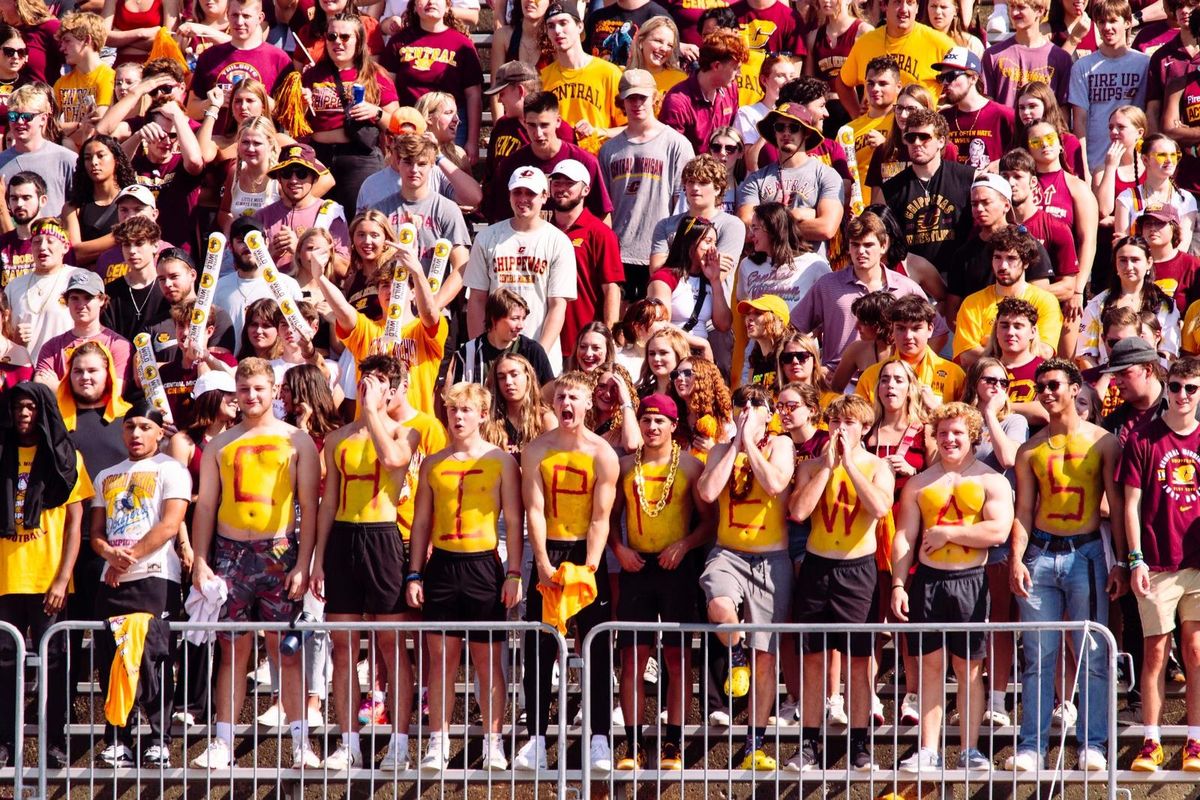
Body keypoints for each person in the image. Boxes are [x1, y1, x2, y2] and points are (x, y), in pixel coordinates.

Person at [189, 358, 321, 770]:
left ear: (273, 388)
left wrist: (304, 561)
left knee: (287, 651)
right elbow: (206, 505)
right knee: (232, 649)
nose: (252, 397)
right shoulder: (219, 444)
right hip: (230, 553)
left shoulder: (297, 441)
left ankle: (301, 743)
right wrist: (199, 561)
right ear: (235, 392)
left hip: (279, 551)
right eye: (244, 390)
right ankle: (224, 741)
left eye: (259, 389)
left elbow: (309, 508)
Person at [1007, 358, 1123, 772]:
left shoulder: (1103, 442)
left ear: (1075, 388)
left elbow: (1119, 504)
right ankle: (1031, 746)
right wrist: (1017, 558)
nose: (1047, 393)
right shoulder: (1030, 449)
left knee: (1092, 652)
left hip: (1088, 551)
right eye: (1041, 386)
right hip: (1040, 551)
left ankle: (1092, 742)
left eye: (1054, 384)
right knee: (1039, 654)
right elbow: (1022, 509)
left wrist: (1123, 562)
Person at [406, 381, 523, 772]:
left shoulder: (502, 461)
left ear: (483, 415)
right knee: (441, 660)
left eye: (466, 411)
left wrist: (514, 573)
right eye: (453, 411)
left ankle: (493, 743)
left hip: (483, 564)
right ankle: (438, 742)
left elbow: (515, 518)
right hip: (442, 564)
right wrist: (414, 573)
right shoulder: (432, 462)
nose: (458, 417)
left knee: (489, 661)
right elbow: (421, 521)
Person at [890, 402, 1014, 772]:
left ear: (972, 436)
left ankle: (970, 749)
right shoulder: (920, 482)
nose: (949, 439)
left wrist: (948, 533)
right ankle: (928, 749)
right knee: (930, 666)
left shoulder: (991, 480)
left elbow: (997, 532)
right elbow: (904, 536)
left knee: (969, 668)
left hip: (969, 581)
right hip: (928, 581)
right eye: (943, 433)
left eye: (957, 432)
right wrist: (899, 583)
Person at [309, 354, 416, 771]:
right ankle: (348, 742)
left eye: (380, 382)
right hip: (342, 539)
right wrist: (318, 559)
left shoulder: (405, 433)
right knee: (343, 647)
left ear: (392, 390)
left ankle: (400, 743)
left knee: (391, 645)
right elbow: (327, 502)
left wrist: (372, 411)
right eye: (366, 380)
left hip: (384, 536)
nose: (370, 387)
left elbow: (392, 461)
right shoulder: (337, 440)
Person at [515, 371, 619, 772]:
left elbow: (601, 516)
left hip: (586, 552)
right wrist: (541, 562)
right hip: (550, 548)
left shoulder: (602, 453)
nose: (567, 404)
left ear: (589, 403)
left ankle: (599, 738)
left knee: (594, 644)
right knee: (540, 648)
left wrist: (591, 566)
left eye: (575, 397)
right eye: (561, 397)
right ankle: (537, 738)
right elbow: (535, 511)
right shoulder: (536, 450)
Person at [789, 393, 893, 771]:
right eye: (834, 423)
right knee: (814, 660)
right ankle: (808, 744)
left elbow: (880, 509)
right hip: (818, 567)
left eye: (848, 423)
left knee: (859, 663)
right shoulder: (812, 467)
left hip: (857, 569)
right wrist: (828, 468)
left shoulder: (878, 467)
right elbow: (799, 511)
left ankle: (861, 745)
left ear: (863, 428)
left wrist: (850, 464)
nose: (840, 430)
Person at [695, 383, 794, 770]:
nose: (749, 410)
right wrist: (735, 445)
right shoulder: (720, 450)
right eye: (742, 404)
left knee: (766, 658)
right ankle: (736, 653)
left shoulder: (781, 445)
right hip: (728, 553)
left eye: (757, 405)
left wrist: (753, 444)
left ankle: (755, 743)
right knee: (719, 605)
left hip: (771, 560)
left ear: (769, 414)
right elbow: (707, 491)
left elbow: (774, 483)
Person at [609, 393, 709, 770]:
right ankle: (632, 744)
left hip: (676, 568)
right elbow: (608, 518)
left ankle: (674, 742)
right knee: (633, 658)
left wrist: (684, 545)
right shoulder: (624, 467)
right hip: (636, 567)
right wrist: (619, 550)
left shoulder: (691, 468)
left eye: (659, 422)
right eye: (646, 420)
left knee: (677, 657)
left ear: (672, 426)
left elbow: (708, 523)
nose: (652, 428)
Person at [89, 403, 190, 768]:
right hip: (111, 579)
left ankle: (157, 738)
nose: (136, 434)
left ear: (159, 432)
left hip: (156, 576)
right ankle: (117, 737)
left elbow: (169, 524)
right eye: (130, 426)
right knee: (113, 659)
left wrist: (126, 559)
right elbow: (96, 533)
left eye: (144, 426)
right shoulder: (106, 475)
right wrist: (109, 556)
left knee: (153, 658)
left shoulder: (172, 470)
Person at [0, 382, 93, 769]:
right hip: (6, 579)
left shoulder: (66, 457)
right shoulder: (1, 452)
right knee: (4, 666)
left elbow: (76, 524)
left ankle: (55, 740)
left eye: (31, 407)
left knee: (55, 664)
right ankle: (4, 742)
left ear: (45, 412)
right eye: (18, 407)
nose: (24, 414)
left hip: (48, 579)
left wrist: (61, 578)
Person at [1123, 356, 1200, 772]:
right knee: (1155, 653)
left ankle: (1195, 741)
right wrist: (1134, 558)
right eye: (1176, 387)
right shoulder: (1144, 438)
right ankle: (1150, 740)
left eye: (1191, 388)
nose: (1183, 396)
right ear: (1165, 388)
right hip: (1155, 561)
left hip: (1198, 565)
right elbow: (1130, 506)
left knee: (1196, 652)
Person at [792, 210, 945, 368]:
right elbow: (795, 329)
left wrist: (911, 370)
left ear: (883, 245)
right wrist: (814, 369)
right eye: (855, 245)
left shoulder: (906, 288)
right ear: (848, 247)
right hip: (837, 383)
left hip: (891, 383)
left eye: (868, 245)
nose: (861, 251)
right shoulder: (827, 285)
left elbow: (938, 333)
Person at [465, 167, 576, 372]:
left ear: (545, 196)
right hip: (494, 353)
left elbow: (557, 306)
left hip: (540, 351)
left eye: (530, 193)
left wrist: (538, 355)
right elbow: (477, 299)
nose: (523, 198)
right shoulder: (487, 238)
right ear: (509, 195)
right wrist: (480, 351)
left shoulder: (558, 241)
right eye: (517, 192)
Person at [598, 68, 694, 296]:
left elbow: (683, 204)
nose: (637, 103)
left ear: (655, 97)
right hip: (620, 253)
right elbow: (604, 209)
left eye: (643, 97)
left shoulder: (676, 144)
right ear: (622, 100)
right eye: (631, 97)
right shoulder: (609, 150)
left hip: (661, 252)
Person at [303, 13, 399, 214]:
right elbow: (296, 124)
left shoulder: (376, 74)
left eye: (345, 37)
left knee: (360, 221)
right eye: (332, 37)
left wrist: (376, 112)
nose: (337, 42)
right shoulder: (312, 75)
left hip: (360, 157)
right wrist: (301, 104)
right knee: (318, 224)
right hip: (320, 156)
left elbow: (397, 125)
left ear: (359, 41)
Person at [370, 133, 471, 310]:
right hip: (389, 310)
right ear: (397, 162)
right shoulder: (380, 211)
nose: (414, 170)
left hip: (436, 310)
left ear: (432, 165)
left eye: (422, 163)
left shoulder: (447, 209)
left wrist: (432, 306)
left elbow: (461, 267)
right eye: (408, 162)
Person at [486, 91, 613, 224]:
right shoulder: (511, 165)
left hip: (573, 242)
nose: (538, 133)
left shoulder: (584, 162)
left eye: (544, 125)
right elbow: (499, 218)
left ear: (558, 121)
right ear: (524, 122)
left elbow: (602, 215)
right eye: (532, 125)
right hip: (527, 241)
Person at [381, 0, 482, 162]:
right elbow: (387, 91)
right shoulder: (398, 42)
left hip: (450, 126)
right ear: (414, 6)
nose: (430, 2)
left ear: (448, 5)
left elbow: (473, 95)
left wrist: (472, 141)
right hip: (409, 125)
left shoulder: (462, 44)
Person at [880, 108, 977, 275]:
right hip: (914, 279)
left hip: (960, 275)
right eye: (911, 138)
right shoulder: (891, 189)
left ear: (941, 141)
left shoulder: (967, 177)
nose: (917, 143)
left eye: (924, 137)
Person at [737, 104, 844, 255]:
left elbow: (826, 228)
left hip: (809, 270)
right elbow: (746, 226)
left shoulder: (827, 175)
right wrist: (797, 215)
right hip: (767, 270)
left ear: (806, 132)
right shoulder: (756, 179)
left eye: (793, 127)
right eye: (780, 127)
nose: (785, 133)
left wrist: (765, 229)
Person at [953, 224, 1064, 368]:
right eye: (997, 258)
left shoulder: (1045, 301)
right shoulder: (972, 303)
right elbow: (966, 356)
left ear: (1025, 262)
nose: (1003, 265)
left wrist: (990, 344)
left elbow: (1044, 352)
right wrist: (1014, 349)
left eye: (1011, 258)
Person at [548, 159, 624, 346]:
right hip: (547, 339)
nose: (562, 188)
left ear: (586, 190)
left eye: (570, 183)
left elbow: (611, 289)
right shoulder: (543, 232)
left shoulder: (601, 233)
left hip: (584, 343)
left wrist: (608, 338)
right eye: (557, 183)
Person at [1068, 0, 1150, 173]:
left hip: (1134, 163)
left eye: (1113, 21)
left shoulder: (1144, 64)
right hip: (1095, 161)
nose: (1107, 27)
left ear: (1127, 22)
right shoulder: (1083, 66)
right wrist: (1082, 167)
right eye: (1102, 21)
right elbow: (1079, 121)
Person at [835, 0, 955, 117]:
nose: (904, 9)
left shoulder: (939, 44)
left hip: (915, 132)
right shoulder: (866, 42)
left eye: (910, 2)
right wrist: (856, 115)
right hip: (872, 131)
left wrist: (947, 110)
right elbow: (843, 83)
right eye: (897, 2)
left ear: (917, 7)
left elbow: (965, 79)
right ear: (884, 5)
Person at [1077, 236, 1180, 368]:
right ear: (1115, 264)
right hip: (1106, 380)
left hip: (1152, 377)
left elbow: (1168, 355)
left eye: (1135, 260)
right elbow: (1086, 357)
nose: (1129, 266)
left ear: (1149, 262)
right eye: (1123, 260)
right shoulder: (1097, 304)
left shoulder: (1165, 305)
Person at [186, 0, 291, 128]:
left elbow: (290, 116)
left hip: (258, 143)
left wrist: (261, 100)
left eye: (246, 16)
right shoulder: (209, 57)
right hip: (217, 143)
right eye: (235, 15)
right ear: (227, 14)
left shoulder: (279, 59)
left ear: (260, 18)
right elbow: (191, 110)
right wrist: (213, 103)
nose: (240, 22)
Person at [539, 2, 625, 152]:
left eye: (563, 23)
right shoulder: (543, 77)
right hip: (558, 166)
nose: (558, 31)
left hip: (597, 161)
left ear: (580, 26)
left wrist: (599, 132)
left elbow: (631, 127)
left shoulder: (609, 73)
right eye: (551, 26)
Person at [254, 144, 349, 272]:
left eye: (302, 174)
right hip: (269, 290)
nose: (294, 180)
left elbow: (344, 270)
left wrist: (301, 248)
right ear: (279, 178)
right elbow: (243, 269)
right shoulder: (261, 216)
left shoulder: (331, 214)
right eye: (287, 173)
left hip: (315, 290)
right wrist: (268, 253)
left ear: (314, 178)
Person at [213, 217, 303, 352]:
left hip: (276, 364)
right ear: (231, 247)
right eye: (241, 241)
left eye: (253, 240)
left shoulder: (287, 285)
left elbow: (299, 330)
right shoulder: (220, 286)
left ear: (266, 242)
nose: (248, 246)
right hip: (230, 365)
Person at [857, 294, 965, 405]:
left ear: (930, 329)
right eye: (901, 328)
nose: (908, 336)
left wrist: (937, 410)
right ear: (892, 330)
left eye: (916, 328)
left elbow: (966, 420)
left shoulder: (954, 375)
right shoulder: (871, 376)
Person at [5, 218, 86, 363]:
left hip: (67, 372)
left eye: (50, 241)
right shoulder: (14, 286)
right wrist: (15, 340)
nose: (42, 247)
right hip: (24, 373)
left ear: (65, 247)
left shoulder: (79, 279)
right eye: (37, 241)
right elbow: (3, 335)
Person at [34, 270, 131, 391]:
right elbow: (41, 387)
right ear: (66, 301)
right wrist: (91, 388)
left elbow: (115, 392)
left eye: (88, 298)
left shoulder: (118, 344)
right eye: (75, 298)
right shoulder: (52, 347)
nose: (81, 304)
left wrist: (59, 387)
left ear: (102, 300)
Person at [659, 29, 748, 154]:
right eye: (735, 68)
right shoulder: (677, 102)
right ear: (716, 66)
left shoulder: (731, 90)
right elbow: (670, 153)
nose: (739, 74)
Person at [449, 289, 554, 387]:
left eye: (523, 319)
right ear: (494, 319)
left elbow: (547, 393)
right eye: (515, 318)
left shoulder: (532, 351)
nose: (521, 325)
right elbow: (457, 397)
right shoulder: (468, 352)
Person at [0, 85, 77, 217]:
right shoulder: (2, 161)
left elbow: (78, 208)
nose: (19, 121)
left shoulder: (66, 159)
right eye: (13, 116)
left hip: (54, 235)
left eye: (27, 117)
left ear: (43, 118)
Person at [934, 47, 1016, 170]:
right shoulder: (942, 118)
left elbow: (1024, 158)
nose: (945, 83)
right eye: (942, 78)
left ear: (973, 78)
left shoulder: (1004, 115)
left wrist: (1000, 164)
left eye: (951, 77)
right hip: (951, 188)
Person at [63, 135, 137, 268]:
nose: (94, 162)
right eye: (87, 158)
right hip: (88, 283)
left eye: (100, 155)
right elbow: (74, 254)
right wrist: (123, 233)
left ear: (117, 160)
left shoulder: (135, 200)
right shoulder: (73, 207)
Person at [981, 0, 1073, 106]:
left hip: (1046, 122)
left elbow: (1063, 111)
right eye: (1012, 7)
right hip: (1005, 122)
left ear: (1039, 10)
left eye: (1021, 7)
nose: (1014, 13)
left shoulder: (1061, 58)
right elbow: (987, 106)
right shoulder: (993, 55)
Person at [102, 216, 171, 342]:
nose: (132, 251)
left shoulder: (168, 288)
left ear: (155, 246)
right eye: (126, 245)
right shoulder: (110, 292)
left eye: (139, 243)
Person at [52, 13, 114, 151]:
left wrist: (67, 130)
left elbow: (97, 125)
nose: (62, 48)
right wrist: (79, 126)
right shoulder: (62, 83)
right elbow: (48, 125)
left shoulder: (108, 77)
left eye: (67, 41)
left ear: (87, 40)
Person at [843, 55, 898, 205]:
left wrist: (886, 147)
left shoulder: (903, 122)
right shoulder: (848, 130)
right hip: (857, 211)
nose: (875, 89)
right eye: (870, 83)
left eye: (883, 83)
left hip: (893, 207)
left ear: (898, 86)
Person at [0, 171, 46, 288]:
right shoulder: (2, 244)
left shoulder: (56, 242)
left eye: (26, 198)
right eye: (14, 198)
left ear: (43, 201)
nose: (19, 204)